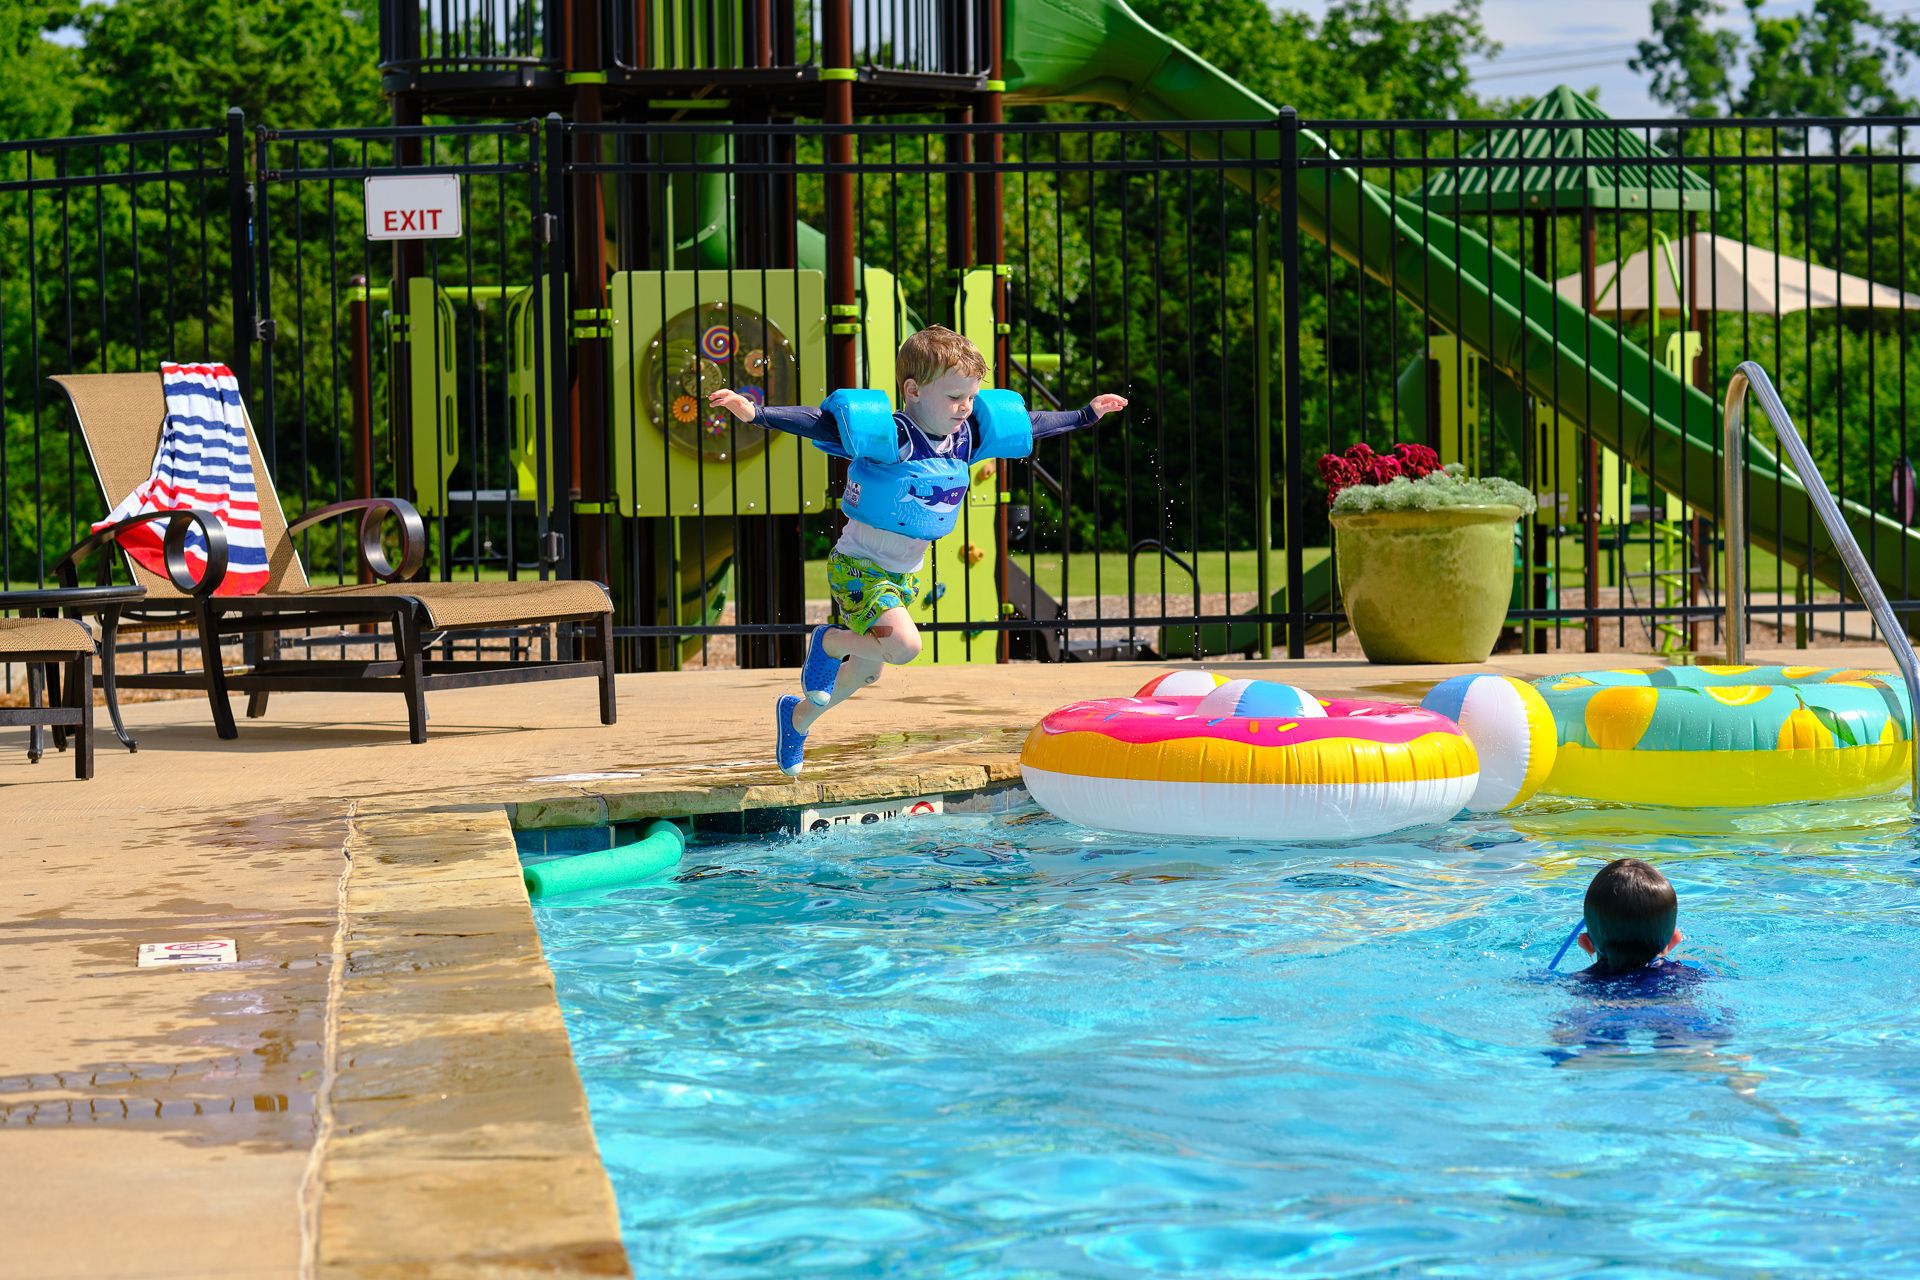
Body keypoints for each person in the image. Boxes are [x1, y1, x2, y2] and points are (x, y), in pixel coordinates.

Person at [708, 325, 1127, 775]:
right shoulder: (896, 436)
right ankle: (826, 643)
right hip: (860, 567)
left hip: (903, 574)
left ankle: (796, 718)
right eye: (954, 398)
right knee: (904, 646)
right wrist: (758, 413)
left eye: (970, 397)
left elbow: (1031, 424)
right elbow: (821, 422)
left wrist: (1084, 415)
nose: (965, 408)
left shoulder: (965, 438)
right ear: (913, 390)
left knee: (867, 672)